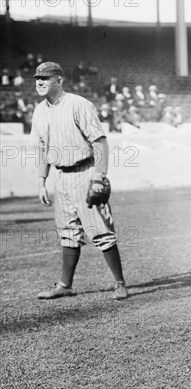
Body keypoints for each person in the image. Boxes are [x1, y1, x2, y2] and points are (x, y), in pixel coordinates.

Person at [30, 62, 128, 300]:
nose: (40, 82)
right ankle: (65, 285)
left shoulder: (78, 104)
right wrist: (42, 181)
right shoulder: (39, 110)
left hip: (85, 171)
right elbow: (42, 149)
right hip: (61, 176)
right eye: (37, 78)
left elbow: (100, 142)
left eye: (46, 78)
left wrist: (99, 176)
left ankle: (119, 284)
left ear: (59, 80)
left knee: (100, 230)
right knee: (68, 231)